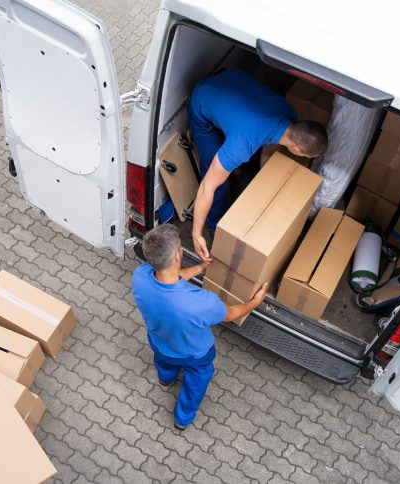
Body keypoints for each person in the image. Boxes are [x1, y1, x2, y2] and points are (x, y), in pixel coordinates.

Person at [132, 224, 268, 430]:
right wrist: (254, 303)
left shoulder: (140, 275)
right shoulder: (201, 303)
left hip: (159, 341)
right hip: (194, 355)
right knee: (196, 381)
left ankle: (165, 378)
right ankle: (182, 418)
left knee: (164, 362)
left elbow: (169, 279)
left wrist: (200, 268)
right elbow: (231, 314)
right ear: (177, 256)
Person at [188, 69, 328, 261]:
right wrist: (196, 234)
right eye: (304, 155)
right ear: (295, 149)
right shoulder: (242, 144)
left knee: (233, 154)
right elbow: (207, 187)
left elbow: (270, 143)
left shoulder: (291, 115)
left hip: (228, 82)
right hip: (202, 99)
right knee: (215, 177)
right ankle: (214, 221)